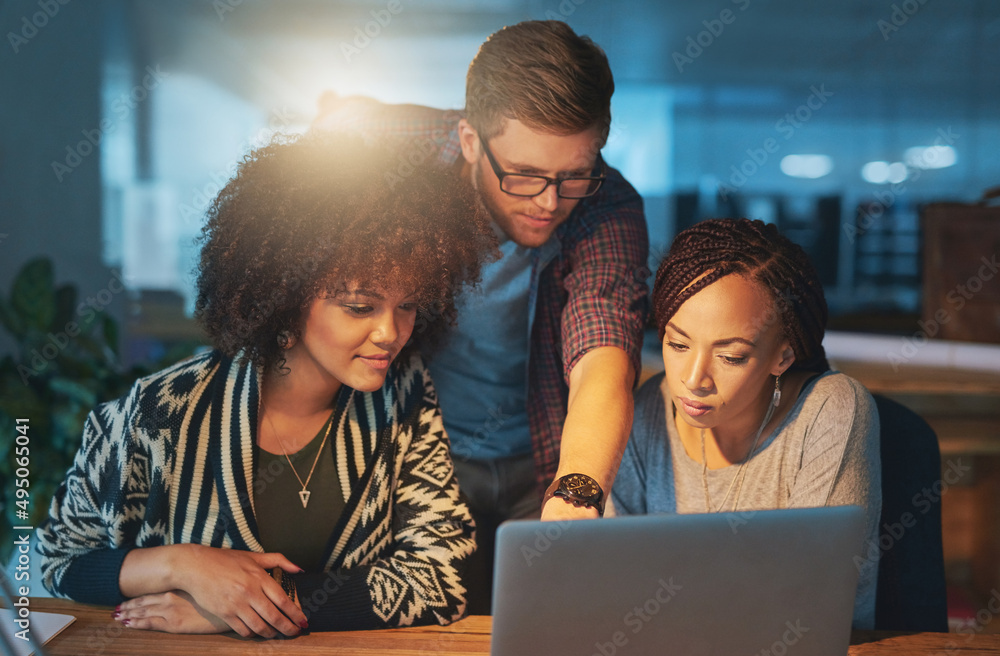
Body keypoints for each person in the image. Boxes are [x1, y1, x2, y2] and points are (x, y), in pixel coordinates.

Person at [36, 134, 497, 635]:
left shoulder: (402, 394)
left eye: (407, 305)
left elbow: (442, 577)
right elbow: (60, 560)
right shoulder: (160, 411)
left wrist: (247, 607)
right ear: (288, 295)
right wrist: (184, 566)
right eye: (360, 307)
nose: (391, 333)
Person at [314, 20, 649, 612]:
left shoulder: (608, 205)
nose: (550, 202)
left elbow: (604, 356)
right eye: (523, 175)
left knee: (554, 622)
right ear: (470, 141)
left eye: (573, 174)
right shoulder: (389, 152)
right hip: (414, 451)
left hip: (545, 458)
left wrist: (576, 494)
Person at [610, 218, 881, 629]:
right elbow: (607, 581)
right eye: (677, 344)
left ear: (783, 358)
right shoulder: (650, 408)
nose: (693, 379)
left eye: (731, 356)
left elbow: (808, 606)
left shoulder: (831, 410)